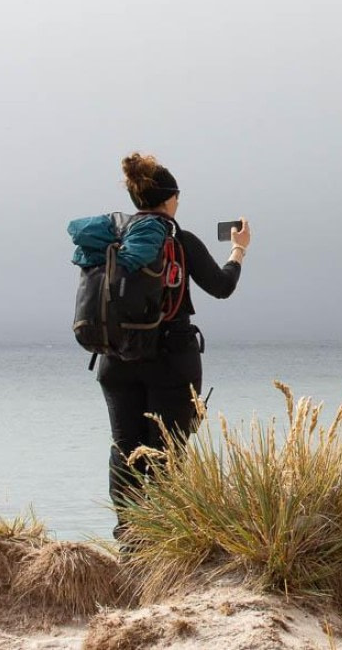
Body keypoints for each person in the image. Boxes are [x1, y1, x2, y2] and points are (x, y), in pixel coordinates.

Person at [98, 152, 250, 541]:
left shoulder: (112, 239)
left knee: (125, 449)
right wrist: (238, 250)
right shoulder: (178, 239)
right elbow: (222, 287)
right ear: (168, 199)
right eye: (177, 197)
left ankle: (129, 539)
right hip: (171, 358)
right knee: (166, 452)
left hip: (115, 358)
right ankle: (165, 540)